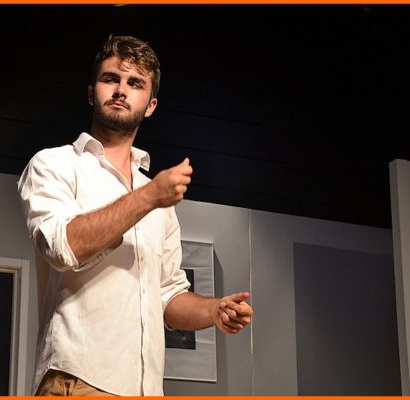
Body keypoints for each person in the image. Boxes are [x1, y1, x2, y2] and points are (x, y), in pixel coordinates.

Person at [17, 34, 253, 396]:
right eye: (110, 79)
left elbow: (168, 295)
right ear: (91, 92)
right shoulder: (54, 164)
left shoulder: (156, 197)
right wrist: (148, 197)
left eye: (135, 83)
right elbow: (62, 247)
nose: (121, 90)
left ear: (151, 105)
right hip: (77, 380)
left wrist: (214, 310)